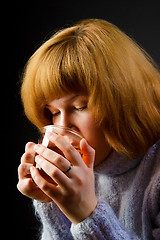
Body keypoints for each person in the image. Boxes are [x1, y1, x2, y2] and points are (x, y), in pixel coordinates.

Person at [17, 19, 160, 240]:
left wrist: (87, 215)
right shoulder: (72, 171)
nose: (62, 127)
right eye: (53, 112)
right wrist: (51, 201)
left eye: (79, 106)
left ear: (124, 99)